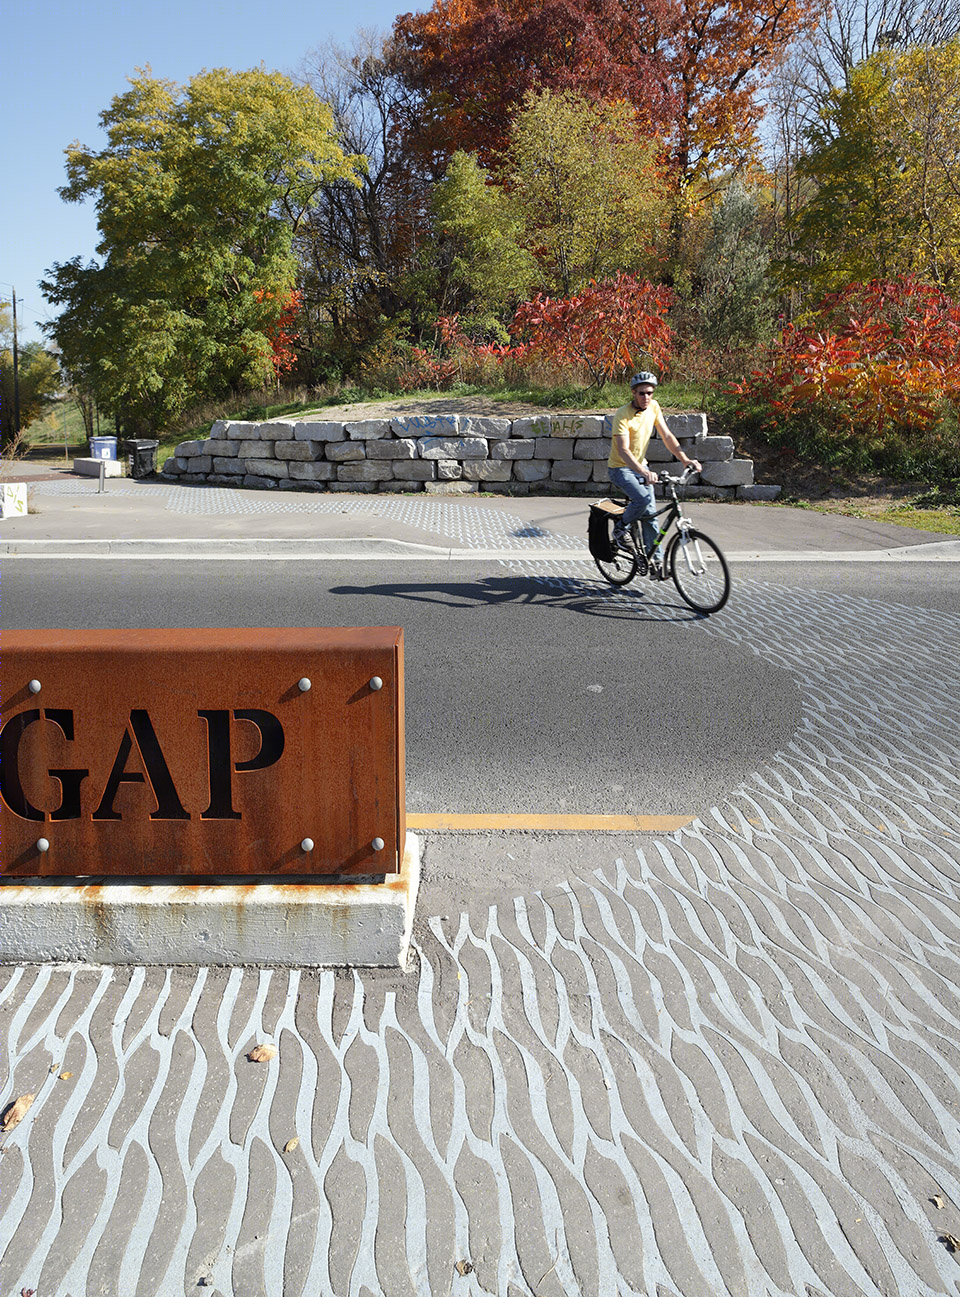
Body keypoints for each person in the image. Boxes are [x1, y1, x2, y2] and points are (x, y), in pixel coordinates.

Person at [607, 372, 702, 572]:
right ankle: (620, 528)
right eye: (641, 393)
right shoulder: (622, 414)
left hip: (641, 467)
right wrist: (642, 471)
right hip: (620, 468)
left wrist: (685, 459)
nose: (646, 397)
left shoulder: (654, 407)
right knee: (642, 500)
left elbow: (667, 435)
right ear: (633, 393)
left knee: (650, 514)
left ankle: (655, 563)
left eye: (649, 393)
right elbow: (623, 450)